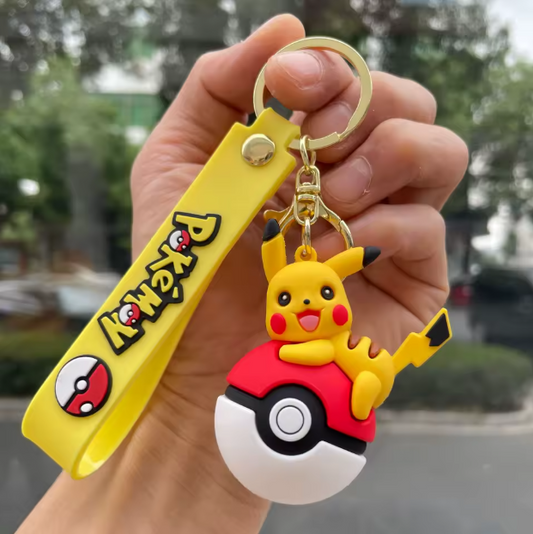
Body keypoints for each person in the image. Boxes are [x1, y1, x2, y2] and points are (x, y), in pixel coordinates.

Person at [17, 14, 468, 534]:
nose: (306, 307)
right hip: (277, 394)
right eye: (288, 300)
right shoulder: (275, 350)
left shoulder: (321, 346)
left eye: (323, 293)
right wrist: (188, 401)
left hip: (325, 404)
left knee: (369, 376)